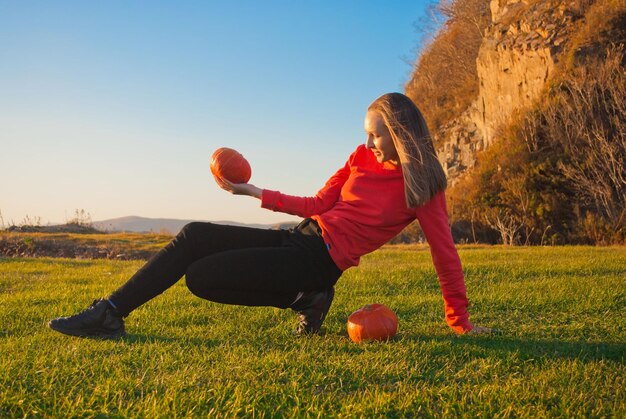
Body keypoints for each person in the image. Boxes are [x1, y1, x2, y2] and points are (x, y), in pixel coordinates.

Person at [48, 92, 493, 339]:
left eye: (376, 135)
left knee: (201, 278)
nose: (369, 142)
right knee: (194, 234)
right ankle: (109, 312)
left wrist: (460, 322)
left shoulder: (424, 187)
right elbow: (318, 204)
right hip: (298, 235)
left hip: (320, 262)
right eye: (367, 135)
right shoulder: (360, 157)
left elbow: (445, 256)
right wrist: (251, 192)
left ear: (399, 132)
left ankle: (308, 295)